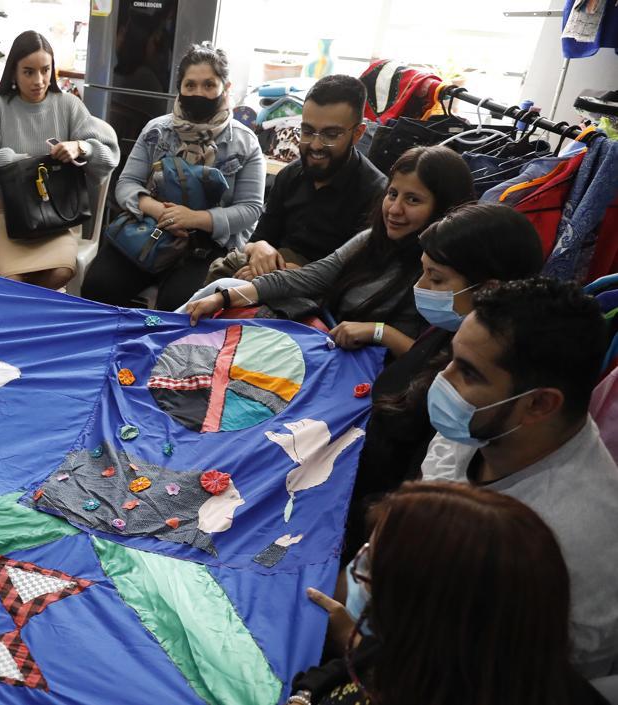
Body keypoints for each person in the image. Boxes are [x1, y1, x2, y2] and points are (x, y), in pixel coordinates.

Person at [418, 277, 618, 677]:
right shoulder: (484, 422)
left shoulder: (571, 547)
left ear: (540, 404)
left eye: (469, 373)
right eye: (452, 359)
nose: (445, 380)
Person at [344, 203, 543, 557]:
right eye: (423, 273)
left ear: (489, 288)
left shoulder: (478, 390)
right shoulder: (444, 331)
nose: (420, 287)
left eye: (435, 279)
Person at [294, 483, 608, 705]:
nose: (358, 576)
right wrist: (307, 694)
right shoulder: (463, 652)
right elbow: (374, 656)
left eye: (371, 570)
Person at [185, 145, 475, 350]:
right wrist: (226, 297)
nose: (395, 209)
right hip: (326, 337)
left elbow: (430, 360)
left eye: (413, 200)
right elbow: (309, 277)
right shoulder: (372, 239)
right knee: (223, 286)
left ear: (443, 208)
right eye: (393, 194)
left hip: (365, 370)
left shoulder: (445, 272)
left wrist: (379, 333)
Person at [80, 43, 264, 307]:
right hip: (150, 230)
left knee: (180, 304)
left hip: (209, 244)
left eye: (209, 85)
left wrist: (194, 218)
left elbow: (250, 208)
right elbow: (126, 184)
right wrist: (160, 212)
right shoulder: (157, 131)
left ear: (226, 87)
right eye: (190, 85)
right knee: (99, 286)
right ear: (179, 88)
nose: (198, 93)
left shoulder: (244, 142)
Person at [0, 31, 120, 290]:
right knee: (12, 279)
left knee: (61, 271)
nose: (39, 80)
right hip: (5, 213)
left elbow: (109, 155)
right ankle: (26, 316)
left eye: (46, 70)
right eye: (29, 72)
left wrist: (81, 147)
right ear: (13, 72)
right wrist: (21, 164)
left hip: (58, 216)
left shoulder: (69, 105)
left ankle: (15, 312)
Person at [214, 74, 386, 283]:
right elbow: (258, 239)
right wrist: (260, 248)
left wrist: (286, 272)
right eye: (307, 131)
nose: (315, 145)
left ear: (358, 134)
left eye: (330, 135)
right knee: (218, 279)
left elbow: (353, 274)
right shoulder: (290, 175)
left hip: (319, 291)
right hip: (267, 272)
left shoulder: (376, 193)